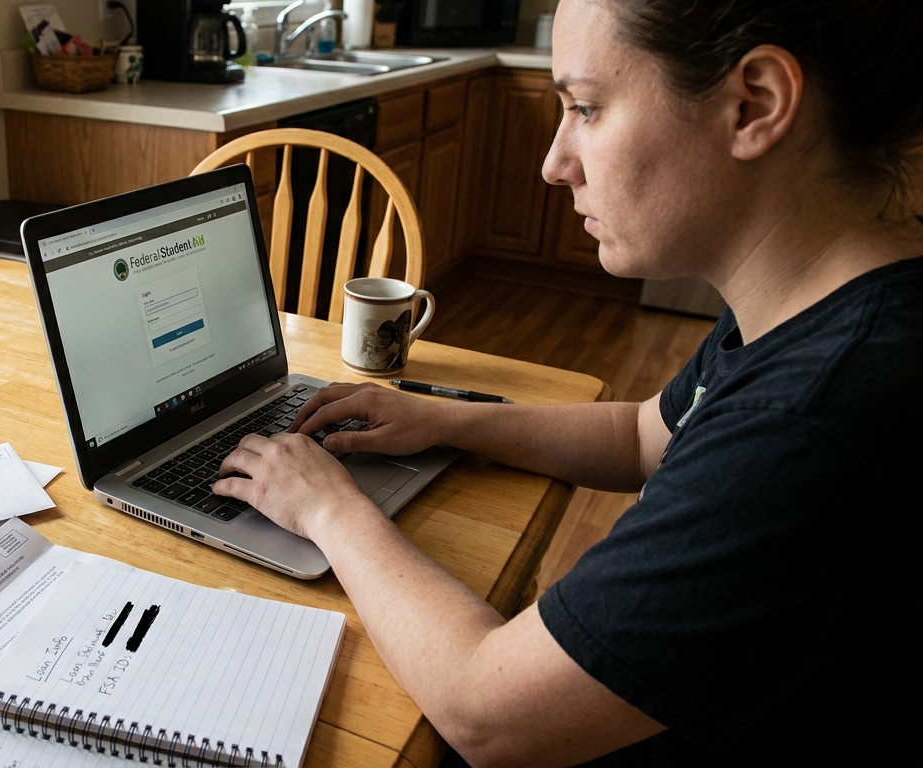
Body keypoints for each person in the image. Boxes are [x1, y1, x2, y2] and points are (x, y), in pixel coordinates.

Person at [215, 0, 922, 764]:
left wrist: (329, 509)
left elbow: (487, 714)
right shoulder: (813, 306)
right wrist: (443, 418)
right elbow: (645, 432)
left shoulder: (813, 419)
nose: (554, 162)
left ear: (754, 104)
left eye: (585, 107)